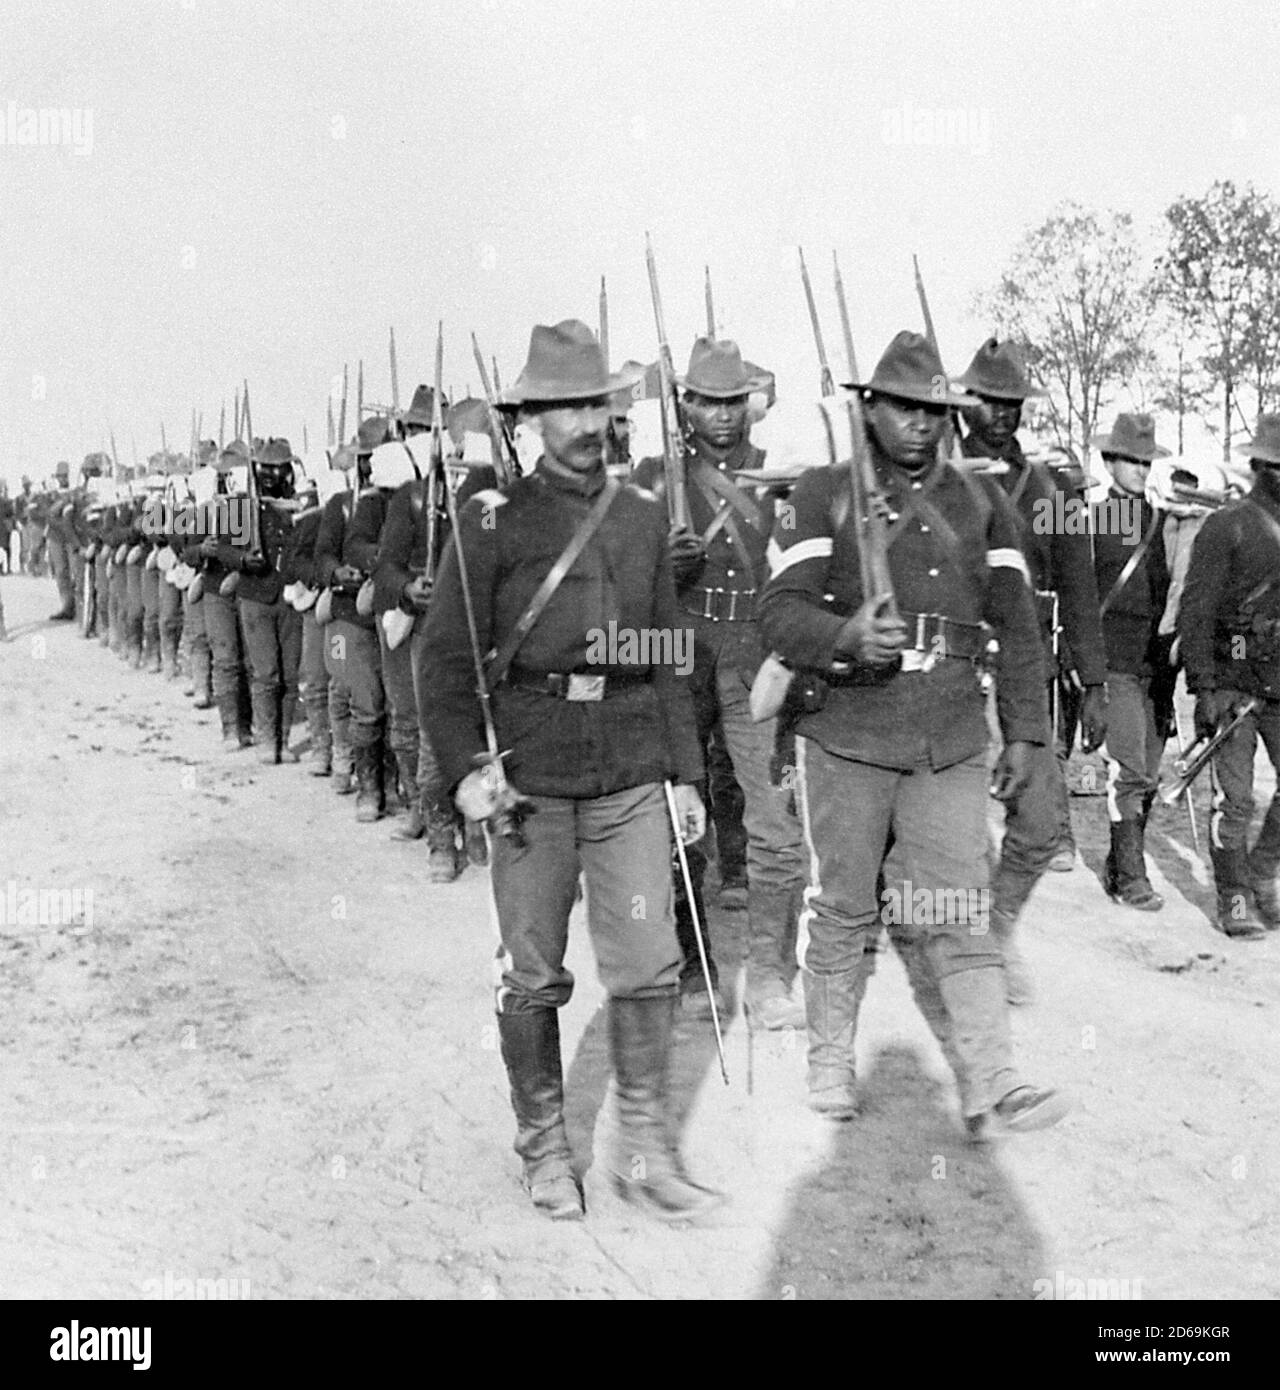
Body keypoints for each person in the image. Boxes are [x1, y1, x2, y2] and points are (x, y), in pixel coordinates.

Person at [424, 319, 722, 1222]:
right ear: (531, 419)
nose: (586, 422)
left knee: (648, 962)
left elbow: (671, 654)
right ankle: (545, 1147)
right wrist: (464, 769)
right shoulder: (491, 522)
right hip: (529, 774)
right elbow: (441, 661)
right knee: (533, 970)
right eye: (566, 407)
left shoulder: (638, 519)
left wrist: (685, 775)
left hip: (630, 763)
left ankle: (643, 1147)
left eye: (597, 402)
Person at [759, 330, 1067, 1137]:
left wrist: (1027, 733)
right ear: (869, 408)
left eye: (935, 410)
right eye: (903, 407)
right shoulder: (823, 492)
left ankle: (992, 1083)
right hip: (848, 732)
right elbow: (778, 613)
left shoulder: (982, 502)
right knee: (844, 905)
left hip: (951, 735)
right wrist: (844, 637)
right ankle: (829, 1058)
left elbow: (1020, 627)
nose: (921, 426)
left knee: (958, 908)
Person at [632, 337, 806, 1029]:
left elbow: (800, 567)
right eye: (706, 401)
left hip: (753, 655)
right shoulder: (653, 476)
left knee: (777, 825)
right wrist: (660, 566)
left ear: (750, 406)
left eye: (733, 401)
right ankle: (691, 960)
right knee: (675, 817)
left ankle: (767, 975)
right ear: (685, 407)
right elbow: (620, 582)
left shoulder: (778, 476)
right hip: (677, 654)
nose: (723, 416)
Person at [957, 338, 1108, 1002]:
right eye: (989, 400)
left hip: (1024, 668)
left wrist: (1095, 682)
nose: (1000, 414)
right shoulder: (937, 478)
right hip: (949, 665)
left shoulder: (1046, 490)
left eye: (1011, 403)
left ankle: (992, 931)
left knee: (1042, 819)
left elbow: (1078, 590)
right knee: (938, 816)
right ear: (964, 403)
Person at [1177, 412, 1280, 940]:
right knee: (1234, 801)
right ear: (1261, 466)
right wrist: (1205, 685)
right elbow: (1197, 610)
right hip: (1233, 683)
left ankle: (1262, 872)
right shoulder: (1228, 526)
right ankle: (1234, 898)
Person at [1090, 413, 1171, 912]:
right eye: (1131, 460)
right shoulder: (1090, 517)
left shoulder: (1160, 520)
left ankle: (1119, 863)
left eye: (1146, 460)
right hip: (1112, 657)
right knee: (1130, 770)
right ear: (1109, 462)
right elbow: (1077, 594)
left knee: (1152, 771)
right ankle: (1131, 877)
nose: (1141, 469)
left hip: (1154, 664)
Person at [217, 438, 304, 764]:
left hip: (290, 597)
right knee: (266, 672)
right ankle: (268, 741)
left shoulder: (298, 504)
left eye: (276, 467)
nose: (270, 474)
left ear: (288, 470)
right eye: (264, 467)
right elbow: (223, 548)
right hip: (255, 595)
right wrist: (243, 561)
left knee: (291, 675)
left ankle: (283, 740)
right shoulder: (244, 506)